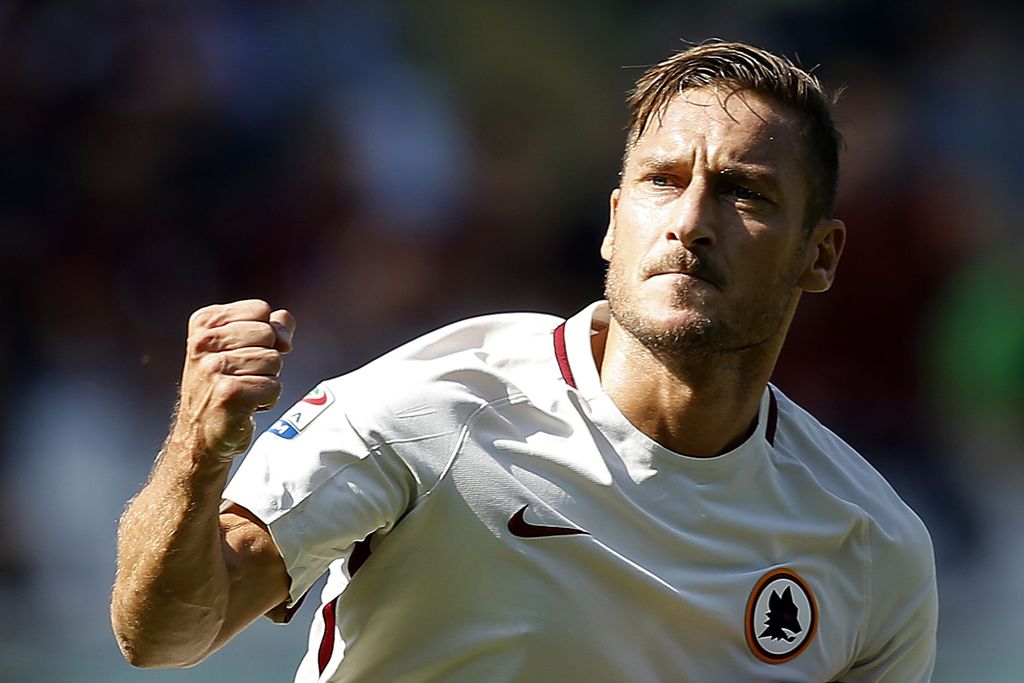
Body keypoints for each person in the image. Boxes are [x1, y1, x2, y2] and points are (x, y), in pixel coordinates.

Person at [111, 41, 937, 682]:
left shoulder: (870, 546)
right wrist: (196, 451)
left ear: (819, 257)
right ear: (615, 223)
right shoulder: (435, 406)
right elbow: (161, 635)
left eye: (744, 192)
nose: (690, 220)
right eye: (660, 181)